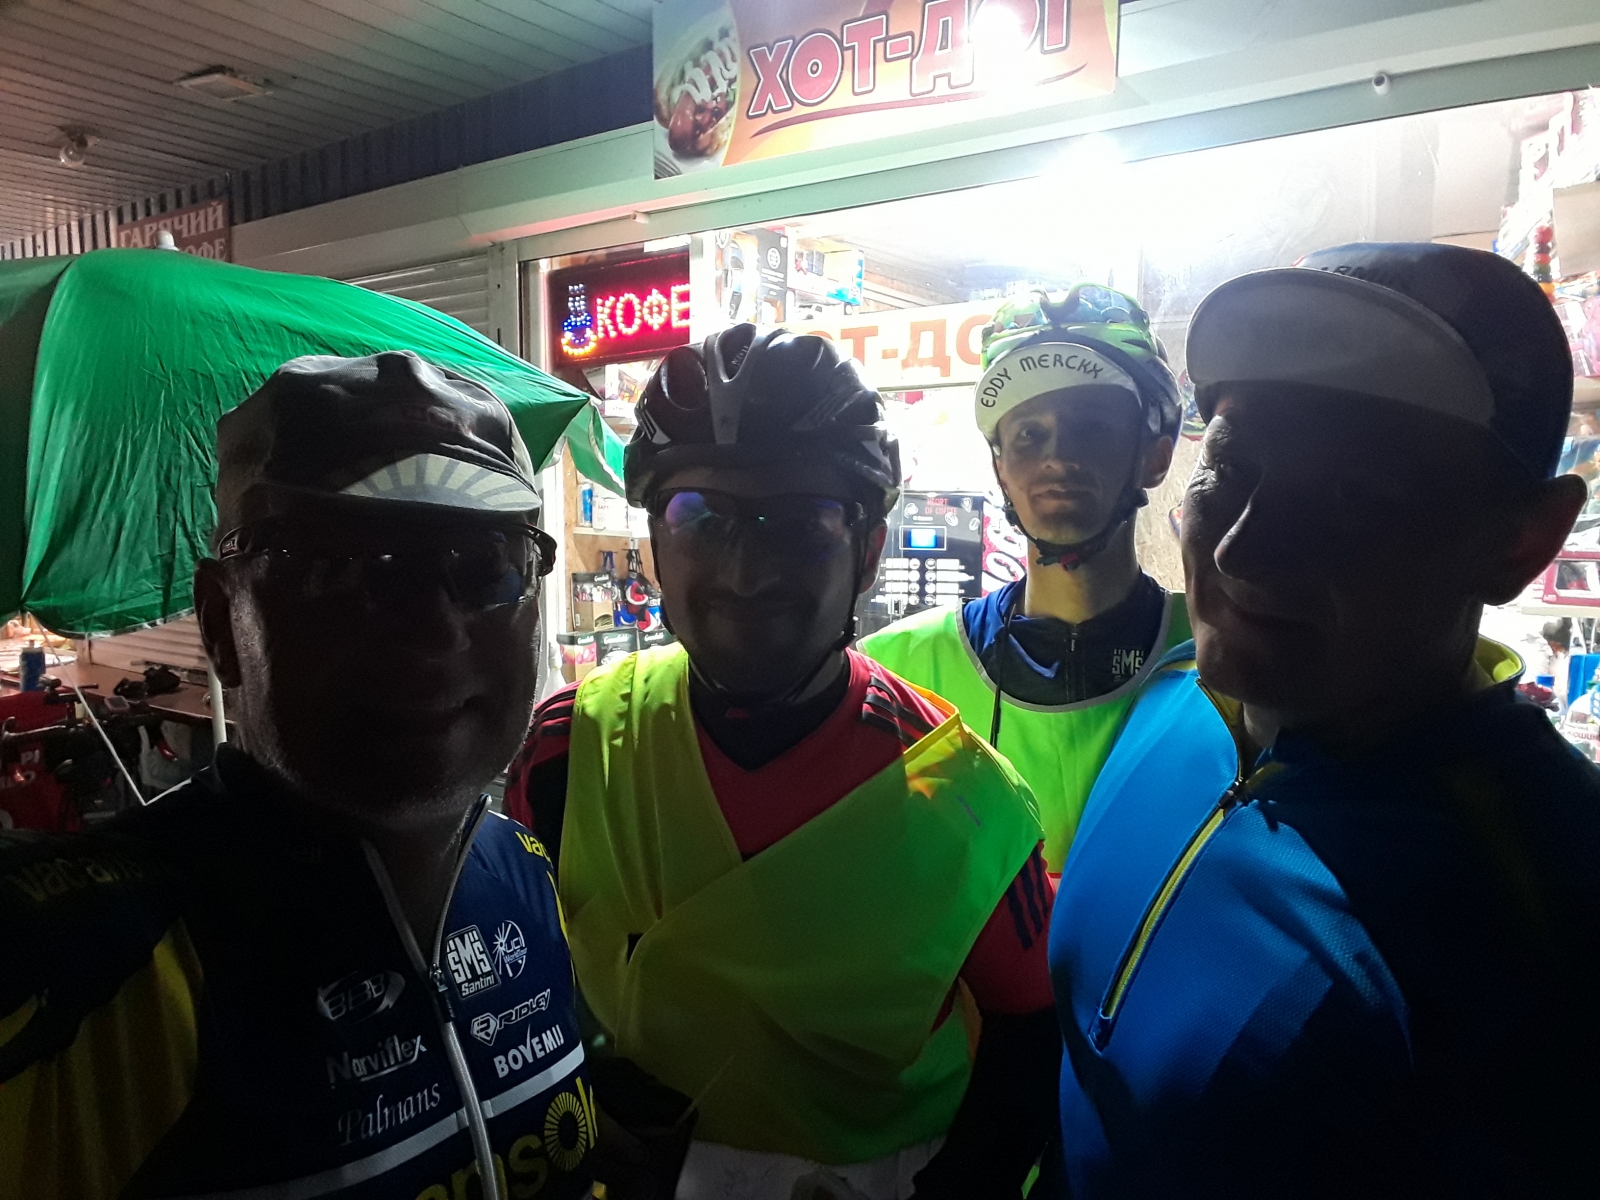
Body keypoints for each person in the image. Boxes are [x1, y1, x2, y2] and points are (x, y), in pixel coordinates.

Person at [1049, 243, 1600, 1197]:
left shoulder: (1550, 901)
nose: (1245, 550)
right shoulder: (1174, 697)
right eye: (1231, 463)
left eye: (1357, 496)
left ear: (1522, 539)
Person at [0, 352, 594, 1200]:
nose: (433, 629)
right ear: (220, 622)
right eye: (344, 564)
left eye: (486, 563)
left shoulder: (526, 876)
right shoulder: (93, 977)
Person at [505, 325, 1057, 1200]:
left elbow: (1034, 1039)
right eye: (699, 518)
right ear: (654, 544)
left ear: (868, 552)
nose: (745, 569)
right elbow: (513, 990)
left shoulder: (966, 802)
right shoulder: (566, 750)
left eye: (800, 524)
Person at [861, 285, 1186, 871]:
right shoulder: (896, 672)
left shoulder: (1220, 656)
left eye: (1092, 428)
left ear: (1154, 458)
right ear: (1000, 468)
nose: (1057, 457)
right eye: (1029, 434)